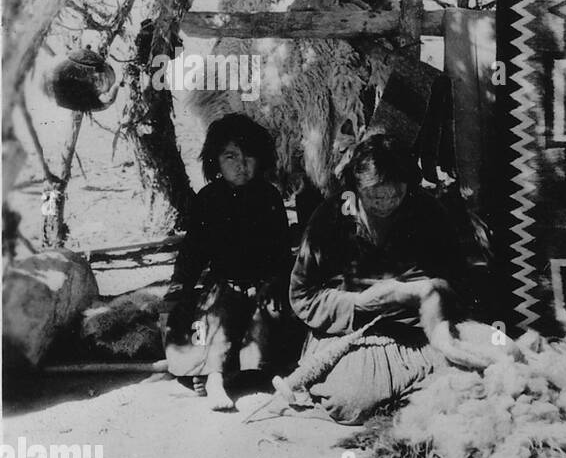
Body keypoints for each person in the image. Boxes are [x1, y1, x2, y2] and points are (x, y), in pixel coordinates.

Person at [289, 134, 469, 424]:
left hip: (418, 332)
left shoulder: (427, 211)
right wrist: (358, 303)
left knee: (471, 380)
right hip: (350, 335)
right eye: (375, 195)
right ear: (356, 187)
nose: (386, 202)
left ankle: (402, 395)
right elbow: (302, 295)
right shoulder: (331, 217)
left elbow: (458, 279)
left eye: (395, 193)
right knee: (351, 401)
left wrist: (429, 292)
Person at [161, 114, 290, 411]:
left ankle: (257, 375)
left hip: (263, 285)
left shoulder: (269, 196)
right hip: (222, 285)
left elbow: (282, 251)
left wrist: (273, 281)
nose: (241, 164)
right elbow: (192, 252)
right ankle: (214, 378)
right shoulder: (207, 199)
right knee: (208, 321)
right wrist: (178, 290)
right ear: (215, 160)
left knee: (268, 322)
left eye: (248, 156)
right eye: (230, 156)